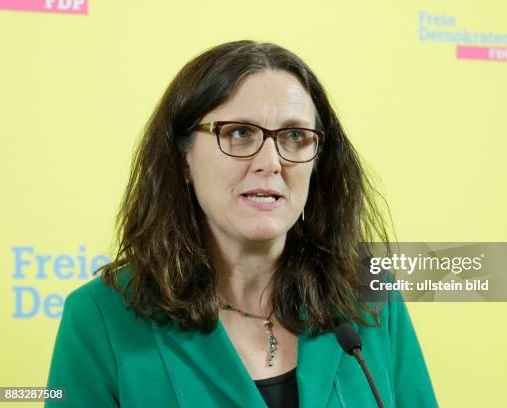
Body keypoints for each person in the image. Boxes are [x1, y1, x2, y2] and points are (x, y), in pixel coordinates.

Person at [45, 40, 438, 407]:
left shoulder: (369, 292)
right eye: (239, 133)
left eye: (295, 136)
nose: (270, 162)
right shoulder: (100, 316)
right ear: (183, 160)